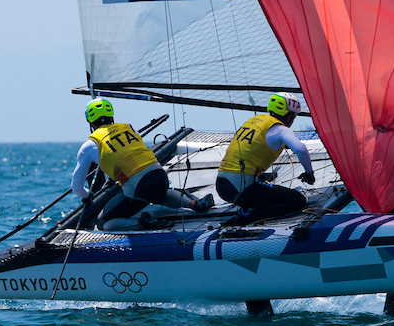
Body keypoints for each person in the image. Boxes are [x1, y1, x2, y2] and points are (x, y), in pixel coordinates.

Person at [72, 98, 213, 230]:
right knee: (160, 194)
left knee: (103, 223)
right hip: (160, 176)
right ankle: (195, 204)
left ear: (91, 123)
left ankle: (142, 222)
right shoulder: (128, 128)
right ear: (112, 116)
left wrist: (88, 195)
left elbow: (77, 188)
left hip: (139, 188)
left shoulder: (90, 145)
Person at [216, 92, 316, 224]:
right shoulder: (281, 130)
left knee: (262, 185)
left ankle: (250, 204)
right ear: (289, 117)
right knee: (298, 200)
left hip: (222, 184)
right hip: (241, 189)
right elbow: (301, 149)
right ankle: (247, 218)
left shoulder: (256, 121)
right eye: (294, 117)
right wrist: (309, 173)